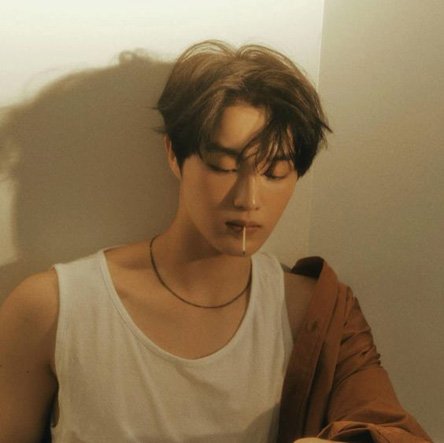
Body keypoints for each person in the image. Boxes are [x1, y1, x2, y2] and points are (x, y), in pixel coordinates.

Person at [0, 40, 431, 443]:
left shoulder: (315, 311)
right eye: (224, 166)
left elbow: (391, 428)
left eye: (275, 172)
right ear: (174, 154)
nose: (249, 199)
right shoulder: (52, 309)